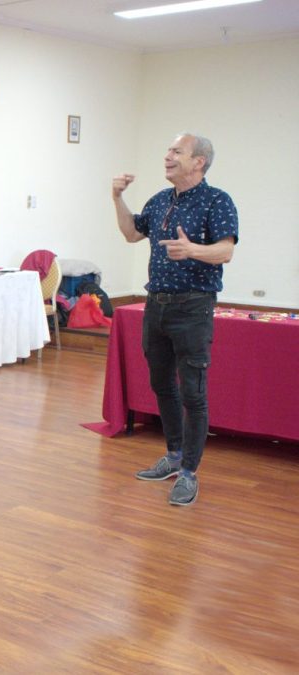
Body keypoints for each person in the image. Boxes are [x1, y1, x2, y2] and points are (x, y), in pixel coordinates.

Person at [112, 133, 238, 507]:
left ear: (199, 162)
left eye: (176, 151)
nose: (167, 156)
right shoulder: (160, 200)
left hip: (193, 308)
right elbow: (131, 233)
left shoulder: (217, 200)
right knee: (161, 384)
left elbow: (226, 251)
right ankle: (173, 455)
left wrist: (193, 250)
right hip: (156, 306)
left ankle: (189, 473)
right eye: (168, 150)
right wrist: (116, 197)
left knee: (193, 393)